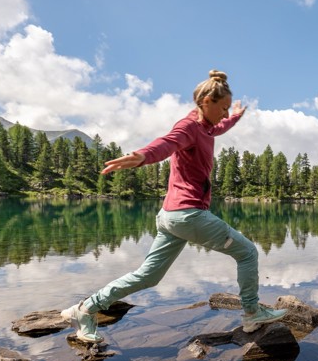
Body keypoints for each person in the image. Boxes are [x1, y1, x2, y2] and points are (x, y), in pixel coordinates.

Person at [62, 70, 286, 343]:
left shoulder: (206, 127)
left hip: (169, 217)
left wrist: (236, 116)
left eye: (228, 108)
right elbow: (168, 143)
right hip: (188, 214)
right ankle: (252, 313)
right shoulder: (189, 126)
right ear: (205, 101)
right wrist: (143, 156)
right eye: (223, 108)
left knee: (148, 276)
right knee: (248, 253)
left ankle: (85, 309)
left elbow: (220, 127)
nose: (225, 114)